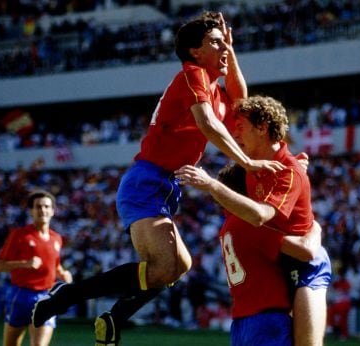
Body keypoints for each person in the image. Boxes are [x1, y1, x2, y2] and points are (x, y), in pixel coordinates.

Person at [32, 11, 284, 346]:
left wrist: (230, 49)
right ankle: (69, 298)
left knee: (178, 266)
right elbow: (209, 126)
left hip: (166, 187)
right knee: (164, 266)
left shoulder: (214, 90)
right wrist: (248, 162)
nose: (223, 48)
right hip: (146, 182)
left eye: (225, 43)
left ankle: (111, 315)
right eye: (215, 42)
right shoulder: (191, 74)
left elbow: (240, 94)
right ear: (196, 51)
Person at [176, 95, 331, 346]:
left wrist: (212, 186)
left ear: (262, 129)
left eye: (240, 128)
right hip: (282, 261)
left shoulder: (282, 174)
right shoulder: (254, 169)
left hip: (303, 265)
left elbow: (264, 219)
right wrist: (317, 228)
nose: (234, 136)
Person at [0, 189, 73, 346]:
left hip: (47, 297)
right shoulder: (19, 235)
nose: (43, 210)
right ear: (31, 211)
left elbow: (54, 264)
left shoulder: (56, 238)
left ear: (53, 211)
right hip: (21, 295)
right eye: (38, 206)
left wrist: (62, 273)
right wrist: (25, 264)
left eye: (46, 206)